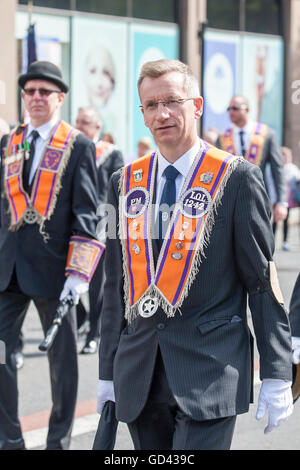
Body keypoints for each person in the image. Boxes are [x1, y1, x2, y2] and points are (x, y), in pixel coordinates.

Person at [96, 59, 293, 450]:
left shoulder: (237, 177)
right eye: (151, 105)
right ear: (142, 114)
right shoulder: (125, 182)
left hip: (210, 370)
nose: (162, 114)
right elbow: (115, 287)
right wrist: (106, 372)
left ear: (197, 105)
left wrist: (277, 371)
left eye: (172, 100)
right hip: (141, 373)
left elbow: (260, 280)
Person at [0, 61, 104, 450]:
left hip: (56, 271)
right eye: (31, 91)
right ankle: (9, 438)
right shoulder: (10, 142)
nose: (37, 98)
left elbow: (86, 212)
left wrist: (78, 275)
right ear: (24, 98)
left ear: (60, 98)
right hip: (8, 269)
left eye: (45, 92)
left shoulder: (78, 144)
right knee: (1, 353)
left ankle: (58, 441)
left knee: (62, 366)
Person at [75, 106, 124, 354]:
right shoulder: (72, 151)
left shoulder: (111, 153)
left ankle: (94, 334)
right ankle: (81, 316)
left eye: (85, 122)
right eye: (77, 121)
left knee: (97, 286)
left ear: (97, 126)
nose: (79, 126)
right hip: (75, 225)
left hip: (102, 225)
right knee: (66, 280)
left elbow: (116, 191)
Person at [217, 95, 288, 224]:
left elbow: (277, 170)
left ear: (247, 110)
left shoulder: (267, 134)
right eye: (229, 108)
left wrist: (281, 201)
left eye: (235, 108)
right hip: (230, 203)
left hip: (258, 199)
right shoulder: (222, 137)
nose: (231, 112)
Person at [273, 147, 300, 251]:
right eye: (283, 156)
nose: (286, 158)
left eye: (287, 156)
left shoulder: (292, 168)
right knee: (274, 220)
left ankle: (285, 241)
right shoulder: (276, 167)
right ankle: (272, 241)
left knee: (286, 220)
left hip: (288, 199)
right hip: (276, 198)